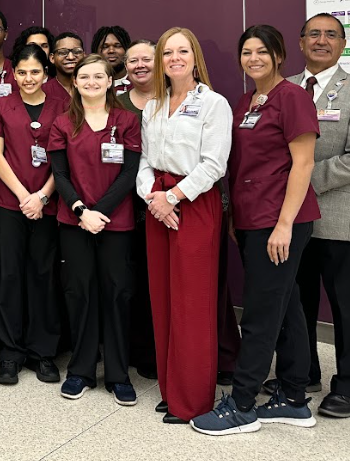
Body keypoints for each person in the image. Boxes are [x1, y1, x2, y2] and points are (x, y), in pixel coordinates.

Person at [191, 25, 320, 436]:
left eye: (262, 51)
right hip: (251, 220)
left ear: (279, 55)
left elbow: (303, 164)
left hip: (279, 222)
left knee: (262, 313)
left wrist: (283, 225)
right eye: (246, 52)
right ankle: (294, 397)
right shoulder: (247, 101)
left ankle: (243, 405)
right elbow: (242, 166)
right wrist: (234, 217)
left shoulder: (294, 98)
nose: (254, 59)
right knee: (287, 306)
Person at [262, 13, 350, 419]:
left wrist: (301, 181)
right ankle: (304, 372)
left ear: (343, 44)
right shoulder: (282, 89)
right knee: (298, 302)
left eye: (331, 34)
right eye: (313, 33)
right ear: (299, 43)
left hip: (338, 213)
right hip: (292, 220)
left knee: (346, 306)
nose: (321, 40)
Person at [136, 27, 232, 424]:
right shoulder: (152, 106)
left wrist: (172, 198)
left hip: (193, 204)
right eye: (167, 52)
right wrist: (152, 198)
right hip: (157, 204)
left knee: (192, 304)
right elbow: (144, 161)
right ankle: (170, 387)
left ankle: (192, 399)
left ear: (195, 58)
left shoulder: (214, 104)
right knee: (163, 299)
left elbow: (214, 164)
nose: (174, 58)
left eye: (182, 51)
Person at [49, 54, 141, 405]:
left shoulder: (127, 121)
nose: (90, 82)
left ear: (110, 81)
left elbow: (129, 172)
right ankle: (81, 370)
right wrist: (80, 211)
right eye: (83, 77)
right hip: (74, 222)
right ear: (75, 83)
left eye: (97, 76)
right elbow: (59, 174)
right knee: (79, 292)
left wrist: (98, 212)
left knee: (117, 294)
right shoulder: (63, 124)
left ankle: (118, 374)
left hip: (114, 222)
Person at [0, 44, 66, 385]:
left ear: (46, 73)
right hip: (9, 203)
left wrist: (42, 197)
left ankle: (42, 352)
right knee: (8, 275)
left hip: (47, 203)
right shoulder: (0, 106)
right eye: (21, 72)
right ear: (12, 73)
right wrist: (23, 196)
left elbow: (64, 159)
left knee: (43, 275)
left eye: (35, 72)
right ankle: (10, 352)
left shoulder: (62, 106)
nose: (28, 78)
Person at [117, 40, 157, 380]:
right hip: (124, 204)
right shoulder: (116, 104)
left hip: (169, 202)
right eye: (133, 60)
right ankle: (139, 349)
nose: (140, 65)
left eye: (147, 59)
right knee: (134, 281)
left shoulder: (177, 98)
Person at [91, 25, 132, 94]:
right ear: (96, 51)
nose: (111, 51)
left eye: (117, 46)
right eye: (105, 47)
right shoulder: (89, 84)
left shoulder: (137, 82)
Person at [48, 32, 84, 97]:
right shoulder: (43, 91)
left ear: (84, 55)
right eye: (63, 52)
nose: (71, 57)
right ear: (52, 58)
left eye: (77, 52)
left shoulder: (92, 87)